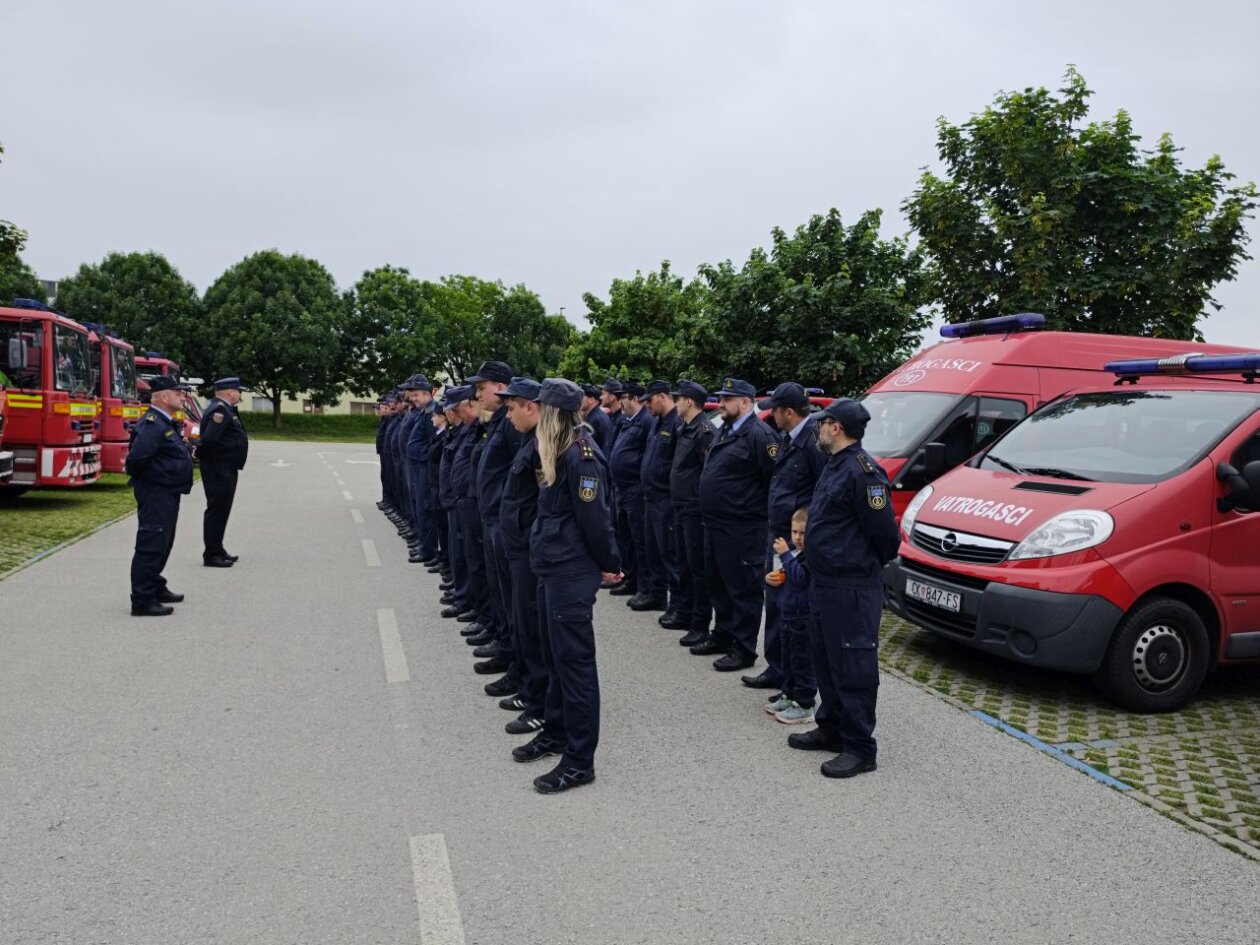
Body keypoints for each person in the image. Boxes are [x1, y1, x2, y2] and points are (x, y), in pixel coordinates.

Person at [514, 378, 622, 794]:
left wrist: (610, 564)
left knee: (575, 666)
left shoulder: (582, 456)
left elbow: (597, 520)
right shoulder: (557, 449)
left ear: (553, 413)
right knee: (556, 658)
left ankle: (580, 760)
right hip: (552, 566)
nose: (535, 414)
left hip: (570, 572)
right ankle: (556, 732)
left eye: (541, 407)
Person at [789, 399, 899, 779]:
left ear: (836, 428)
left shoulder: (864, 473)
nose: (817, 429)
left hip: (851, 586)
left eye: (823, 424)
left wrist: (858, 564)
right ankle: (832, 727)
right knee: (826, 660)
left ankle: (859, 747)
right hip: (826, 582)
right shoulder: (835, 465)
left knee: (854, 666)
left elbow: (886, 536)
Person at [743, 382, 826, 690]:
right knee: (776, 602)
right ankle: (777, 669)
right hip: (778, 535)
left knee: (793, 609)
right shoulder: (789, 438)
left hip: (797, 539)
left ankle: (796, 679)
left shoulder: (813, 442)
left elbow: (822, 491)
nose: (771, 416)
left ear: (788, 412)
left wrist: (804, 533)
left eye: (774, 411)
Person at [693, 377, 776, 671]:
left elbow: (771, 481)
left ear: (745, 402)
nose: (722, 404)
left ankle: (743, 649)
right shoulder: (724, 430)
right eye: (721, 398)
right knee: (718, 583)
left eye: (728, 399)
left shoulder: (760, 435)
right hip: (716, 524)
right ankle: (723, 634)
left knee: (743, 589)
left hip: (743, 527)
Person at [496, 377, 548, 736]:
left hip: (531, 549)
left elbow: (547, 507)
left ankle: (540, 702)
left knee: (533, 627)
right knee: (522, 622)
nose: (508, 415)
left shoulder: (545, 445)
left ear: (532, 407)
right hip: (518, 546)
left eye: (512, 407)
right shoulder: (531, 441)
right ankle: (530, 690)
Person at [469, 360, 521, 681]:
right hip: (491, 517)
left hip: (503, 520)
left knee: (509, 593)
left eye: (481, 387)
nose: (478, 394)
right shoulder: (498, 421)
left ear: (501, 388)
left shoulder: (511, 424)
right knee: (499, 589)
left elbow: (518, 474)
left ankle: (510, 651)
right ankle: (503, 642)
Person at [125, 375, 194, 616]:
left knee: (163, 541)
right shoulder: (153, 424)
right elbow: (135, 461)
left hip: (167, 491)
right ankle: (142, 599)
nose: (182, 396)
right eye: (178, 393)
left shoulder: (165, 422)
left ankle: (154, 584)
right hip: (156, 492)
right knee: (151, 543)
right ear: (164, 397)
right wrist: (156, 478)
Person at [669, 379, 714, 647]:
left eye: (678, 399)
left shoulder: (704, 431)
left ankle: (700, 623)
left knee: (697, 568)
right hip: (680, 506)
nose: (676, 404)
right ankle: (685, 613)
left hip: (694, 509)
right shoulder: (684, 428)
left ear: (688, 401)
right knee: (683, 564)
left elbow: (706, 472)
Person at [764, 507, 816, 724]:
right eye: (794, 532)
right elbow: (784, 579)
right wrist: (770, 580)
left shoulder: (809, 557)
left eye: (802, 533)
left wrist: (785, 554)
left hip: (803, 619)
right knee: (788, 659)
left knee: (802, 662)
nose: (797, 538)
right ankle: (789, 694)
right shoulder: (792, 554)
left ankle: (804, 704)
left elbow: (800, 578)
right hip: (787, 615)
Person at [640, 379, 683, 626]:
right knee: (653, 550)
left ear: (663, 396)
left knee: (670, 553)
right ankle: (656, 595)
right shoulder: (658, 423)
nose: (647, 405)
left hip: (665, 499)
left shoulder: (676, 422)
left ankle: (677, 604)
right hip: (650, 496)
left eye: (650, 399)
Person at [609, 380, 654, 610]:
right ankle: (631, 578)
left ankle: (646, 588)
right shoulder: (628, 421)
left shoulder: (646, 421)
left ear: (634, 398)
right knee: (624, 537)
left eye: (624, 397)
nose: (622, 401)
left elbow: (648, 454)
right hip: (621, 487)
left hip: (635, 488)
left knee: (639, 541)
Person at [196, 376, 249, 568]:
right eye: (238, 391)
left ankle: (217, 548)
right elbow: (209, 440)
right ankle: (211, 554)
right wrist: (199, 453)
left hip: (225, 466)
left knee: (222, 509)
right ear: (229, 392)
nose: (240, 394)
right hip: (218, 467)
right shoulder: (219, 409)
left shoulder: (226, 408)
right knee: (217, 509)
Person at [402, 374, 439, 565]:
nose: (413, 398)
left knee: (425, 508)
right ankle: (423, 543)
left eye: (416, 395)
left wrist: (421, 455)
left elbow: (435, 445)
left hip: (424, 467)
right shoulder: (423, 411)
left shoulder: (431, 412)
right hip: (417, 466)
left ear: (427, 394)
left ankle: (428, 549)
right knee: (418, 505)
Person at [581, 384, 614, 455]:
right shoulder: (592, 417)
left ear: (591, 400)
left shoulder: (597, 419)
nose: (578, 399)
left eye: (581, 396)